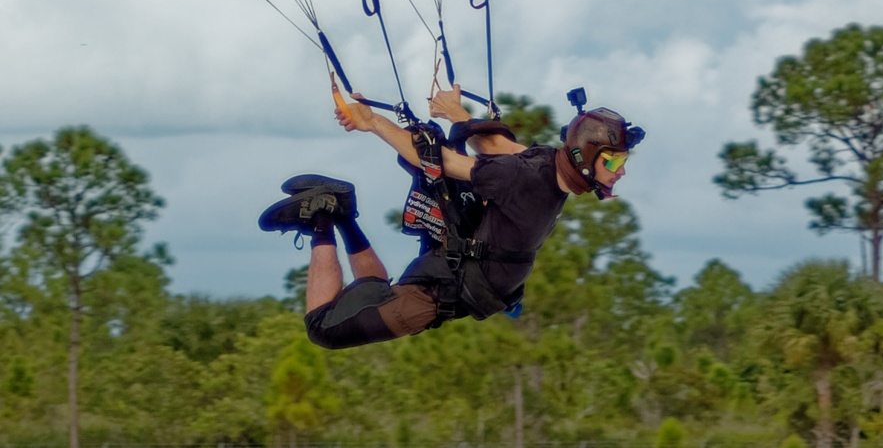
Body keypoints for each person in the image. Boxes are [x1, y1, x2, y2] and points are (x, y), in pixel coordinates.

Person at [258, 84, 644, 350]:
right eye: (614, 161)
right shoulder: (523, 181)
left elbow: (494, 143)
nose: (621, 171)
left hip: (445, 272)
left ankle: (342, 213)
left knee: (370, 290)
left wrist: (454, 111)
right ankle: (324, 217)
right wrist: (371, 121)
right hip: (435, 295)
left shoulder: (544, 161)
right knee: (322, 329)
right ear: (583, 156)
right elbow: (439, 161)